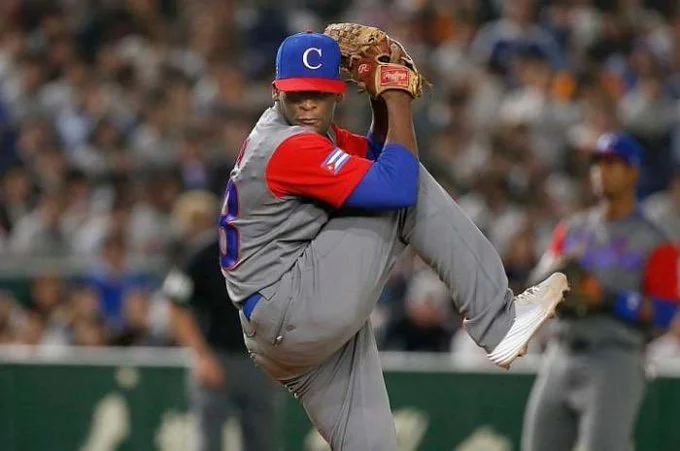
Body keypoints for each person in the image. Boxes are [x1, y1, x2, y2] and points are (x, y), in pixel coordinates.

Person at [220, 30, 567, 450]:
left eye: (318, 93)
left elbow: (378, 155)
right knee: (407, 186)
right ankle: (499, 322)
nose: (308, 104)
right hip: (293, 304)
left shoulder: (305, 137)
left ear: (338, 94)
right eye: (296, 95)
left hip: (288, 329)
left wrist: (381, 99)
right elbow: (398, 187)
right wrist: (397, 94)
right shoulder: (286, 146)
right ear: (276, 93)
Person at [521, 133, 680, 451]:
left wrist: (607, 298)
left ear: (634, 172)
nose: (601, 171)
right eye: (597, 163)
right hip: (560, 353)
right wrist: (553, 285)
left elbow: (664, 312)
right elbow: (535, 288)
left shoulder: (655, 241)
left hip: (614, 358)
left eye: (612, 163)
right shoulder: (572, 229)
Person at [161, 190, 280, 451]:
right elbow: (175, 304)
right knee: (209, 440)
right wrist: (201, 356)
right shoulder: (202, 255)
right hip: (217, 357)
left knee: (262, 441)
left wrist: (279, 357)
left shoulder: (266, 251)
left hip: (258, 360)